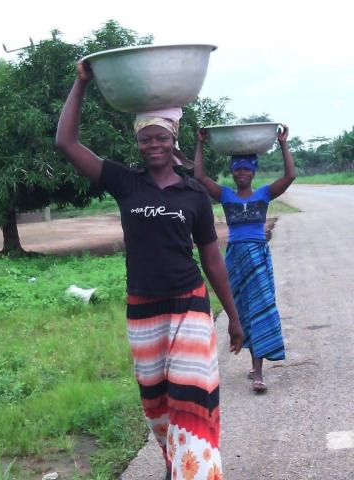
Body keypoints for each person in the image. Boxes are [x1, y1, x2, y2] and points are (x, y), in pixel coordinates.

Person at [56, 60, 244, 480]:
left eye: (160, 137)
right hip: (143, 310)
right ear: (138, 143)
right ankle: (175, 464)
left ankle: (195, 472)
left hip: (190, 304)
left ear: (172, 139)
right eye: (145, 139)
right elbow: (66, 143)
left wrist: (233, 316)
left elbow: (212, 258)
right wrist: (80, 82)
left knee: (192, 395)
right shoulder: (126, 183)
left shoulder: (194, 194)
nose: (153, 145)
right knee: (157, 404)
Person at [194, 126, 296, 393]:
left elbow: (290, 175)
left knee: (260, 308)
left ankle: (259, 372)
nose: (242, 173)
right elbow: (200, 176)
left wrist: (283, 143)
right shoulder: (225, 196)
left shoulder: (263, 194)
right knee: (241, 310)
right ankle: (254, 364)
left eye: (246, 169)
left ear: (253, 172)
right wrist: (200, 144)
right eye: (237, 169)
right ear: (232, 172)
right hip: (236, 258)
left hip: (258, 257)